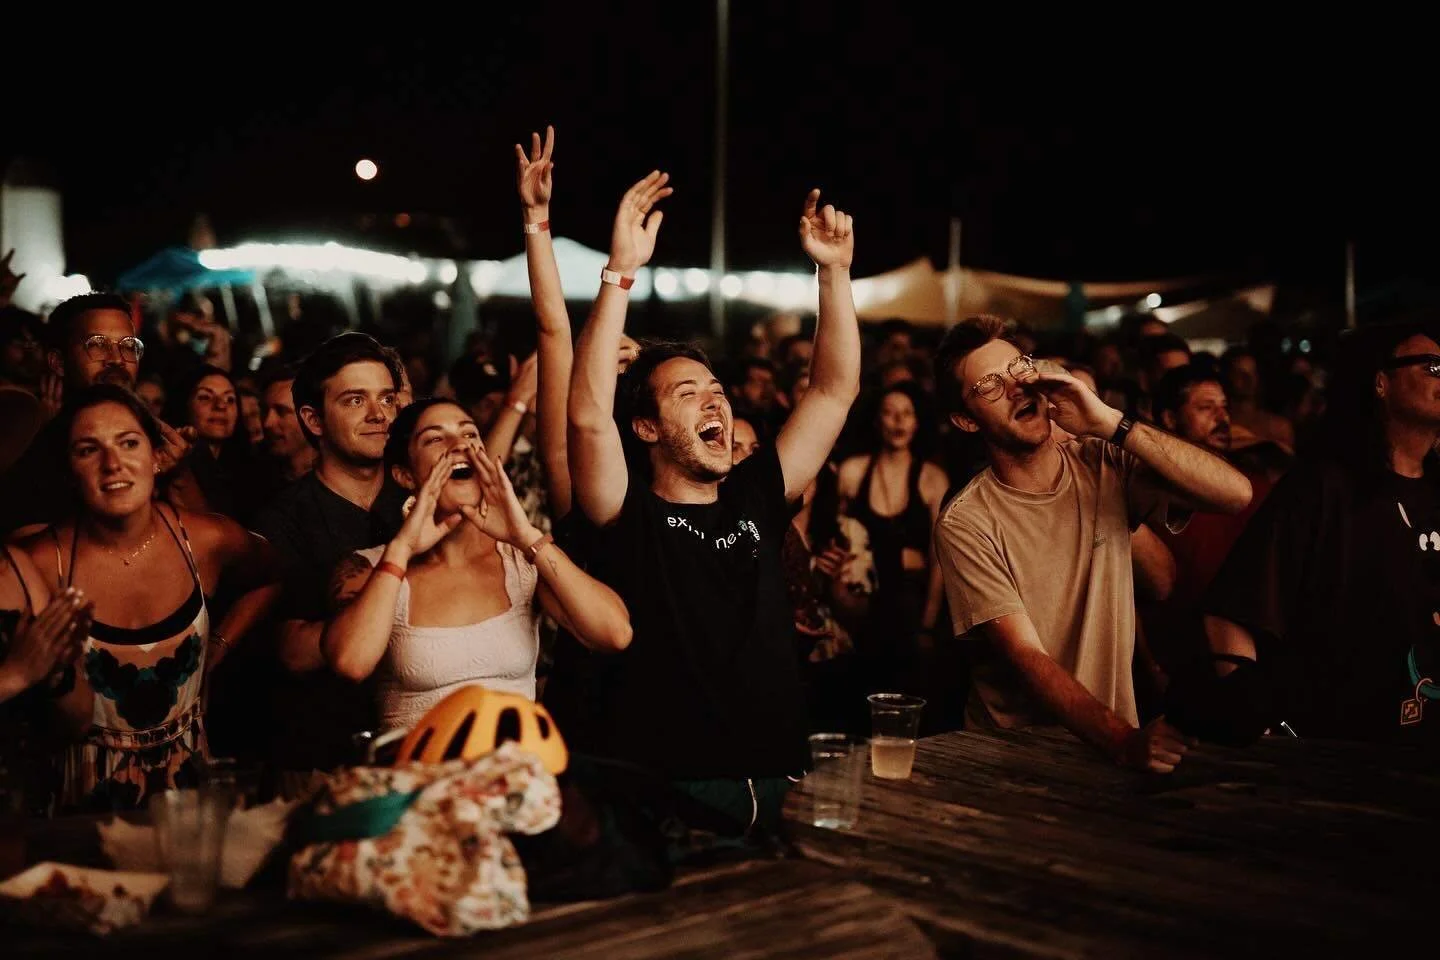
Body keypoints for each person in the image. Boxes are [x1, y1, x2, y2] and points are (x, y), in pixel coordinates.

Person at [569, 175, 860, 830]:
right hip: (675, 793)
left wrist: (834, 275)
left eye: (715, 389)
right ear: (645, 428)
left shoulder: (756, 495)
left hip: (782, 777)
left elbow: (833, 391)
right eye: (685, 393)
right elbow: (588, 417)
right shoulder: (627, 513)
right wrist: (619, 273)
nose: (714, 401)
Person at [932, 314, 1251, 773]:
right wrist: (1124, 741)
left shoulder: (1101, 462)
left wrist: (1110, 423)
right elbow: (1027, 656)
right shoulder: (967, 521)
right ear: (965, 420)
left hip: (1110, 750)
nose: (1016, 389)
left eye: (1019, 370)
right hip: (1016, 761)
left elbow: (1235, 494)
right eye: (988, 386)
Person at [19, 385, 278, 811]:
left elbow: (276, 577)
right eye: (88, 449)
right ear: (68, 469)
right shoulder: (42, 564)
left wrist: (219, 646)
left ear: (157, 457)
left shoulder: (207, 540)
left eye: (129, 442)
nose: (113, 463)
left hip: (190, 805)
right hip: (79, 810)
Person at [322, 399, 631, 732]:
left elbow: (614, 634)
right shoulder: (369, 566)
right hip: (418, 778)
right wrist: (401, 549)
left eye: (470, 434)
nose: (460, 446)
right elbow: (350, 662)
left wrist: (527, 536)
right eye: (435, 438)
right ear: (404, 474)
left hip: (515, 776)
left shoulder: (520, 562)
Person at [1201, 322, 1440, 744]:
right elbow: (1231, 609)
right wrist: (1259, 725)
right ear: (1381, 382)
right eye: (1432, 367)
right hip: (1340, 753)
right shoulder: (1324, 488)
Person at [253, 333, 409, 777]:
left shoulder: (418, 501)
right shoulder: (282, 520)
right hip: (325, 754)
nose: (379, 415)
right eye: (355, 401)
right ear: (314, 420)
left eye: (387, 398)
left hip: (418, 738)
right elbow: (292, 652)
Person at [0, 293, 193, 536]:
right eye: (97, 345)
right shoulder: (33, 454)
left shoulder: (168, 444)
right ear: (58, 362)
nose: (117, 360)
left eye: (128, 346)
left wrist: (176, 475)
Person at [837, 382, 949, 693]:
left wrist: (927, 625)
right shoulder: (852, 472)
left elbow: (939, 558)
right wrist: (896, 558)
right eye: (889, 413)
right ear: (876, 420)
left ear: (918, 421)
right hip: (859, 608)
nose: (898, 421)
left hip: (909, 611)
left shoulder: (932, 479)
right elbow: (833, 538)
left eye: (906, 413)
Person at [166, 365, 260, 522]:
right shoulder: (171, 465)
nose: (221, 406)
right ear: (185, 404)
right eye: (205, 397)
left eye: (230, 399)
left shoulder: (253, 473)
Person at [1221, 346, 1295, 451]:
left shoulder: (1277, 426)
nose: (1248, 379)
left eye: (1253, 373)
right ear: (1227, 376)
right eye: (1240, 373)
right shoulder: (1219, 425)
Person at [259, 363, 317, 484]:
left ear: (312, 417)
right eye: (264, 411)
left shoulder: (346, 484)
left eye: (281, 411)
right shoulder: (251, 482)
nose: (267, 423)